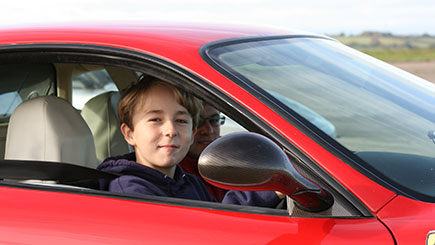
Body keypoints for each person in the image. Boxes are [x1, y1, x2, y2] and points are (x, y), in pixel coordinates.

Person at [97, 76, 283, 207]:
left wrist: (274, 188)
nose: (171, 130)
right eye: (155, 119)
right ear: (129, 134)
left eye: (181, 121)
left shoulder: (188, 182)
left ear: (192, 133)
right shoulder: (131, 193)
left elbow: (221, 214)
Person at [179, 103, 228, 201]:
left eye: (214, 120)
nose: (208, 130)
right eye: (197, 122)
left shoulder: (232, 159)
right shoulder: (174, 172)